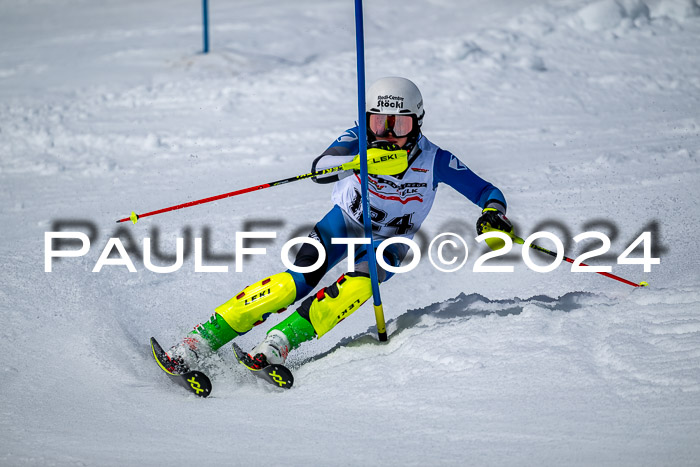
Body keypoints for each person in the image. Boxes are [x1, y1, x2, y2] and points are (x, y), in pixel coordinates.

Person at [164, 76, 513, 371]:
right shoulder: (358, 137)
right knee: (294, 283)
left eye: (400, 125)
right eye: (379, 123)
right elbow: (321, 169)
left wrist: (492, 213)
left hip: (390, 242)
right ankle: (202, 339)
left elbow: (487, 191)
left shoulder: (436, 160)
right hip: (342, 223)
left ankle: (280, 342)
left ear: (417, 123)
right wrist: (361, 160)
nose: (388, 133)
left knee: (361, 285)